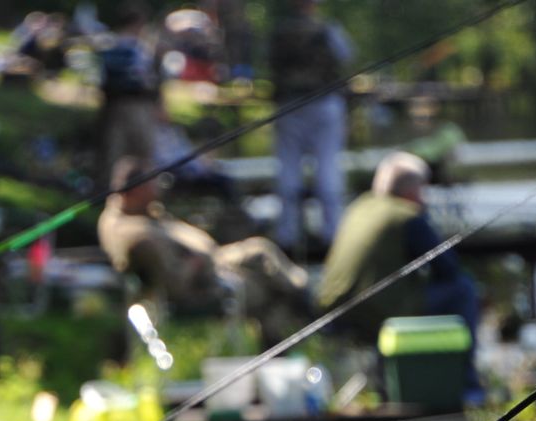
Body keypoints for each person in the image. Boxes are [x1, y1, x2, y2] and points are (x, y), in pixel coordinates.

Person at [316, 151, 482, 399]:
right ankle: (467, 385)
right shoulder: (407, 216)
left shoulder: (359, 207)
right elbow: (448, 269)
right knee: (463, 290)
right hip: (373, 313)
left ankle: (399, 380)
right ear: (413, 190)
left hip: (331, 312)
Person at [97, 158, 309, 343]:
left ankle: (303, 296)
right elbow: (175, 283)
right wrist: (195, 264)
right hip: (203, 284)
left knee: (260, 249)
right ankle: (304, 315)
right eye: (151, 184)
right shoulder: (135, 234)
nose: (158, 188)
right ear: (135, 190)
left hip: (215, 262)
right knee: (268, 291)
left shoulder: (143, 212)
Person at [267, 0, 352, 256]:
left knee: (287, 169)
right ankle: (332, 233)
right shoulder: (328, 29)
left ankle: (287, 235)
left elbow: (270, 62)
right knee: (328, 167)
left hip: (288, 105)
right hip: (325, 103)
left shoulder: (280, 31)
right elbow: (347, 55)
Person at [98, 5, 162, 184]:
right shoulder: (137, 49)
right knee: (142, 151)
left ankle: (112, 190)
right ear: (138, 24)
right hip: (137, 105)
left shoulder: (109, 43)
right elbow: (146, 80)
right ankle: (142, 189)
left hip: (113, 105)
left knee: (115, 152)